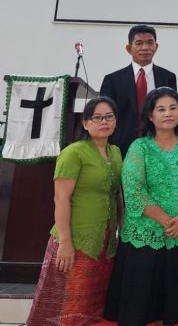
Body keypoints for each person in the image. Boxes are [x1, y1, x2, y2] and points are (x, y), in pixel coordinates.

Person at [103, 87, 178, 326]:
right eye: (161, 109)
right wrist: (167, 221)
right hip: (145, 238)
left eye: (173, 107)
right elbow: (134, 190)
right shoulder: (140, 147)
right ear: (150, 115)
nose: (168, 113)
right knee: (138, 311)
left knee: (172, 312)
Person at [27, 97, 124, 326]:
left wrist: (120, 228)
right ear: (85, 123)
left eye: (109, 116)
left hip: (105, 242)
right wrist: (65, 242)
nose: (104, 121)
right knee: (67, 307)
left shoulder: (116, 152)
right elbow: (60, 198)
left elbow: (117, 194)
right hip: (76, 240)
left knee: (93, 308)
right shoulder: (74, 152)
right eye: (97, 117)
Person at [100, 24, 178, 156]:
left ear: (156, 47)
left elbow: (172, 110)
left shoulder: (168, 77)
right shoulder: (113, 80)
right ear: (129, 49)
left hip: (159, 146)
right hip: (121, 147)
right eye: (139, 43)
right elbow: (106, 115)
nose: (145, 48)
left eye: (150, 43)